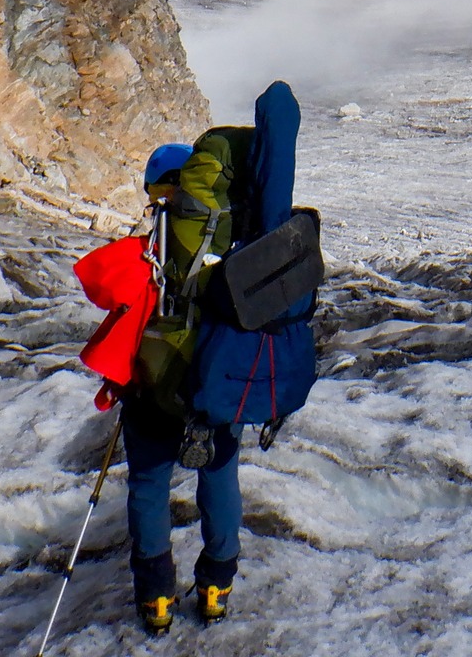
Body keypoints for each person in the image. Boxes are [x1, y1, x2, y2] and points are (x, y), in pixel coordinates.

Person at [121, 83, 320, 636]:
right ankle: (216, 586)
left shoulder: (160, 236)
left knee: (149, 481)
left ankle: (156, 597)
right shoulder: (249, 233)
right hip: (222, 370)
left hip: (160, 376)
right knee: (219, 471)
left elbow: (119, 298)